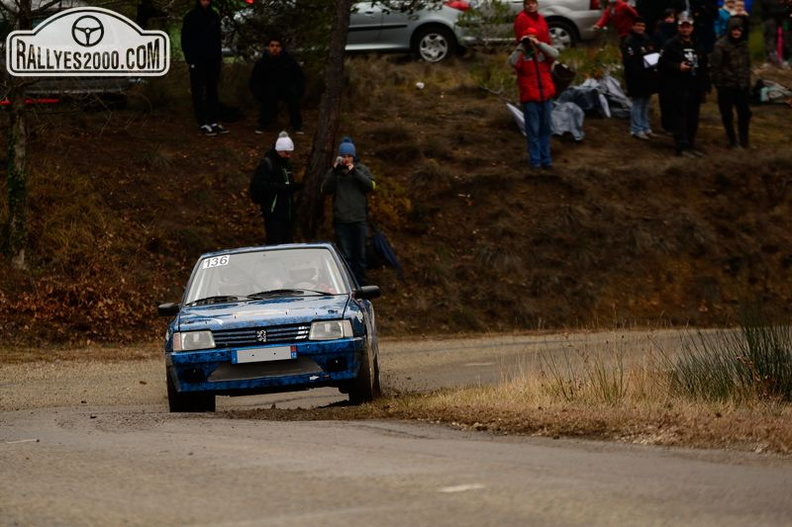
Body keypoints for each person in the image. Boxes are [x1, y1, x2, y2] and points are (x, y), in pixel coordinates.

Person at [321, 138, 376, 285]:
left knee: (361, 255)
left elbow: (370, 186)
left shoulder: (362, 169)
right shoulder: (335, 172)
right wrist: (334, 171)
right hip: (342, 221)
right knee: (346, 257)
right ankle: (349, 285)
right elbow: (325, 189)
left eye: (349, 156)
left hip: (359, 219)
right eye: (344, 156)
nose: (346, 159)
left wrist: (354, 172)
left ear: (353, 156)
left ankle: (362, 284)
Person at [658, 13, 711, 157]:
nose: (685, 30)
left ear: (692, 28)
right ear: (678, 28)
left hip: (695, 85)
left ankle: (691, 144)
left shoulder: (697, 43)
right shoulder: (670, 44)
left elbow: (704, 65)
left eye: (688, 27)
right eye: (683, 27)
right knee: (680, 116)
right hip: (678, 86)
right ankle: (681, 146)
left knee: (693, 117)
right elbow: (661, 64)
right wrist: (677, 66)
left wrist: (706, 85)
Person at [509, 27, 559, 170]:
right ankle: (535, 161)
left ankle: (546, 160)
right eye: (527, 37)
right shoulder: (521, 55)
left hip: (546, 97)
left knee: (546, 130)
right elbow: (512, 62)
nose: (529, 40)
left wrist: (539, 44)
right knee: (533, 131)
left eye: (532, 37)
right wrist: (522, 45)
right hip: (530, 98)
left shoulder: (542, 53)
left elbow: (555, 54)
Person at [181, 0, 228, 137]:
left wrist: (218, 59)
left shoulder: (214, 15)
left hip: (213, 61)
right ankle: (202, 122)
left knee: (212, 90)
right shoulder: (191, 16)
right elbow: (185, 40)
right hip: (197, 61)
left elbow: (217, 39)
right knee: (198, 91)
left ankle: (213, 121)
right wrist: (190, 60)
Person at [249, 131, 300, 245]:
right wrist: (283, 188)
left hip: (287, 213)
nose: (289, 156)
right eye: (287, 153)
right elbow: (261, 186)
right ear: (279, 150)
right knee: (275, 243)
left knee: (288, 243)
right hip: (273, 213)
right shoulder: (267, 164)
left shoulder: (286, 164)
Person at [249, 36, 306, 135]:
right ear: (267, 47)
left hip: (287, 88)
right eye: (272, 46)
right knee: (268, 98)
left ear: (281, 48)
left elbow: (299, 77)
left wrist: (298, 91)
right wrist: (259, 93)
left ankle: (297, 125)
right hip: (269, 89)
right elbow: (254, 80)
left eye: (277, 46)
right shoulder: (262, 63)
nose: (275, 48)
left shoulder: (289, 61)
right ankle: (263, 124)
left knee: (293, 99)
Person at [710, 17, 752, 148]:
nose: (736, 32)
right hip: (726, 87)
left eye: (739, 29)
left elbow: (747, 65)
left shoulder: (744, 44)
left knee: (745, 114)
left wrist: (747, 82)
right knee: (727, 116)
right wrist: (720, 85)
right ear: (729, 30)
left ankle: (744, 141)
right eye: (734, 29)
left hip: (742, 86)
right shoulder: (720, 45)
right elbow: (715, 68)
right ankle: (732, 141)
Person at [622, 17, 659, 140]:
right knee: (637, 103)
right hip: (635, 77)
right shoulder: (629, 41)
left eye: (642, 26)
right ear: (633, 26)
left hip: (648, 77)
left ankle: (646, 127)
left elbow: (652, 54)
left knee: (646, 103)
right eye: (638, 25)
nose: (640, 28)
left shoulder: (647, 39)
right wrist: (642, 67)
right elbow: (630, 62)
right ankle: (636, 129)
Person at [761, 0, 791, 67]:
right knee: (770, 37)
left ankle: (786, 59)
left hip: (785, 19)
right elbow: (770, 9)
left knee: (786, 38)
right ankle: (771, 59)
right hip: (770, 18)